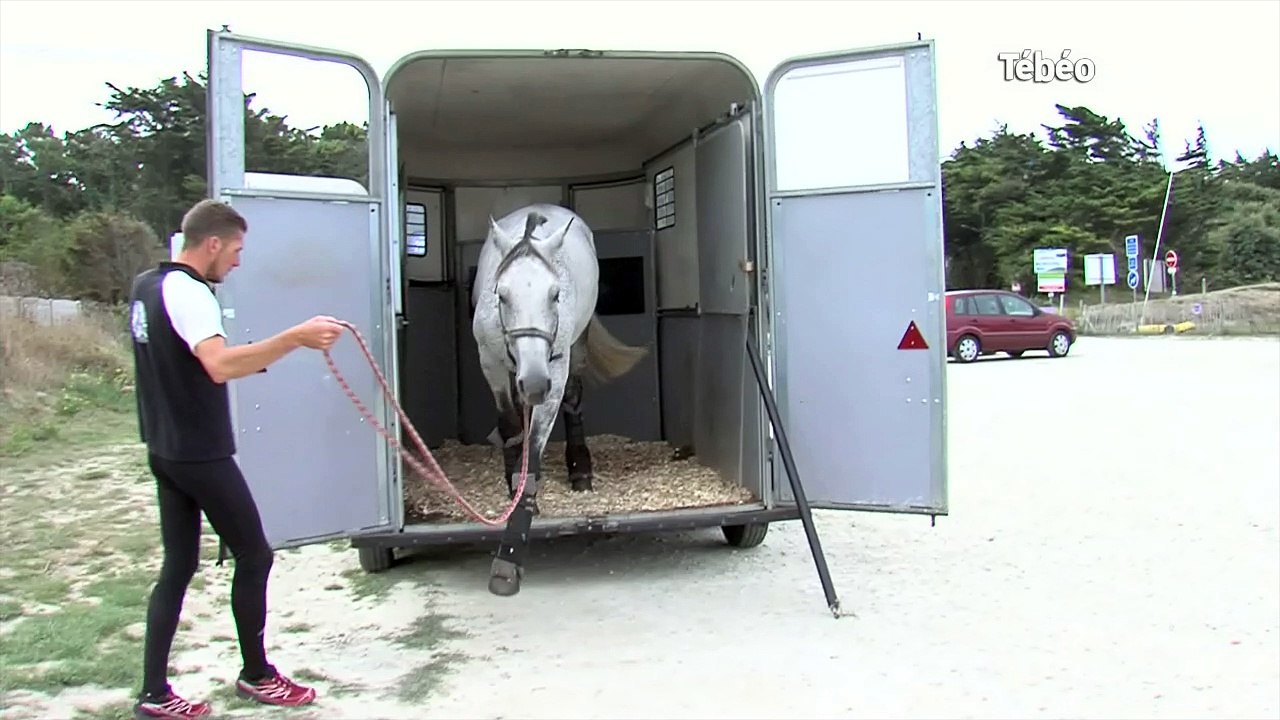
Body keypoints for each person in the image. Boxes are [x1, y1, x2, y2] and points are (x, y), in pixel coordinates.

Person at [127, 198, 347, 719]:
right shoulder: (192, 293)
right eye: (237, 251)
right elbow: (219, 364)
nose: (238, 262)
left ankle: (153, 694)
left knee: (177, 566)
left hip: (164, 448)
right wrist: (295, 337)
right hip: (200, 452)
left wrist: (265, 355)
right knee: (255, 554)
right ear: (213, 244)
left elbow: (183, 361)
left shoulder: (145, 288)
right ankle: (257, 675)